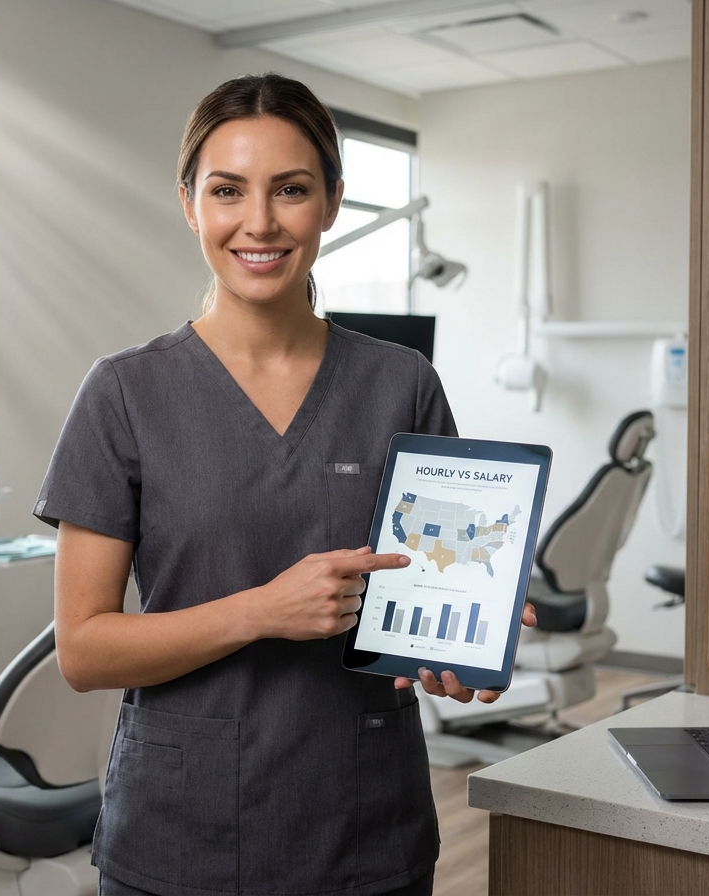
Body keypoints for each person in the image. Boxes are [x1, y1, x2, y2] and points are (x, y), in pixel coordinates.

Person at [34, 73, 535, 896]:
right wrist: (262, 611)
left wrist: (469, 643)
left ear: (332, 202)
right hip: (182, 832)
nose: (259, 222)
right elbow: (84, 652)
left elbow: (439, 583)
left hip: (364, 822)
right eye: (227, 190)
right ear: (190, 204)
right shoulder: (124, 393)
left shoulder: (401, 384)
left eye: (292, 189)